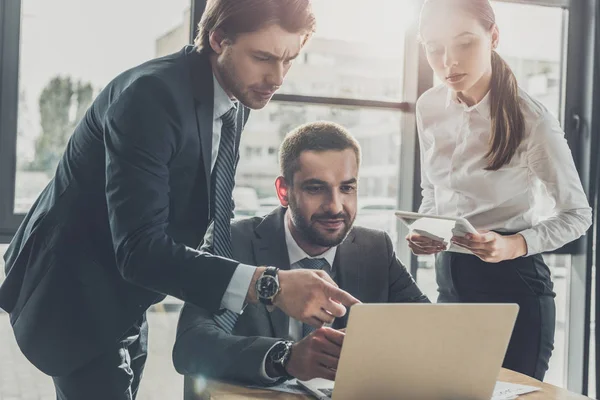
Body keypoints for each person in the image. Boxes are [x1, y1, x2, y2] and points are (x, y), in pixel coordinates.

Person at [0, 1, 360, 399]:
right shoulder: (150, 97)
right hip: (74, 298)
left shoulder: (234, 96)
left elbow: (210, 203)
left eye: (289, 60)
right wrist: (270, 285)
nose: (276, 77)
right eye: (263, 57)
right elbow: (139, 250)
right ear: (218, 39)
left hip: (127, 295)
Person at [408, 0, 592, 381]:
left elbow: (578, 215)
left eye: (464, 43)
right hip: (451, 280)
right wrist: (426, 227)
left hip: (515, 289)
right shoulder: (429, 106)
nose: (447, 62)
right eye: (434, 47)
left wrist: (513, 245)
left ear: (493, 37)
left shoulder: (532, 120)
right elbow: (433, 188)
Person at [173, 121, 429, 386]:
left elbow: (432, 328)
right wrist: (285, 358)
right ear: (284, 191)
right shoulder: (232, 242)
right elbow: (190, 346)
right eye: (315, 189)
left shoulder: (375, 247)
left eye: (346, 188)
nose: (334, 206)